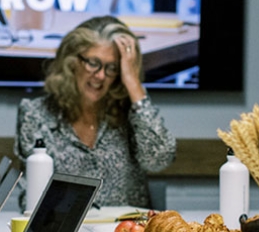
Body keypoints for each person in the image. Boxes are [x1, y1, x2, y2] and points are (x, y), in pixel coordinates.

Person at [16, 15, 176, 207]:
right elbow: (31, 198)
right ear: (73, 61)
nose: (100, 75)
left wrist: (133, 83)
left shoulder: (132, 113)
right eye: (93, 63)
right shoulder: (36, 113)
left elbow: (159, 160)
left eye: (112, 68)